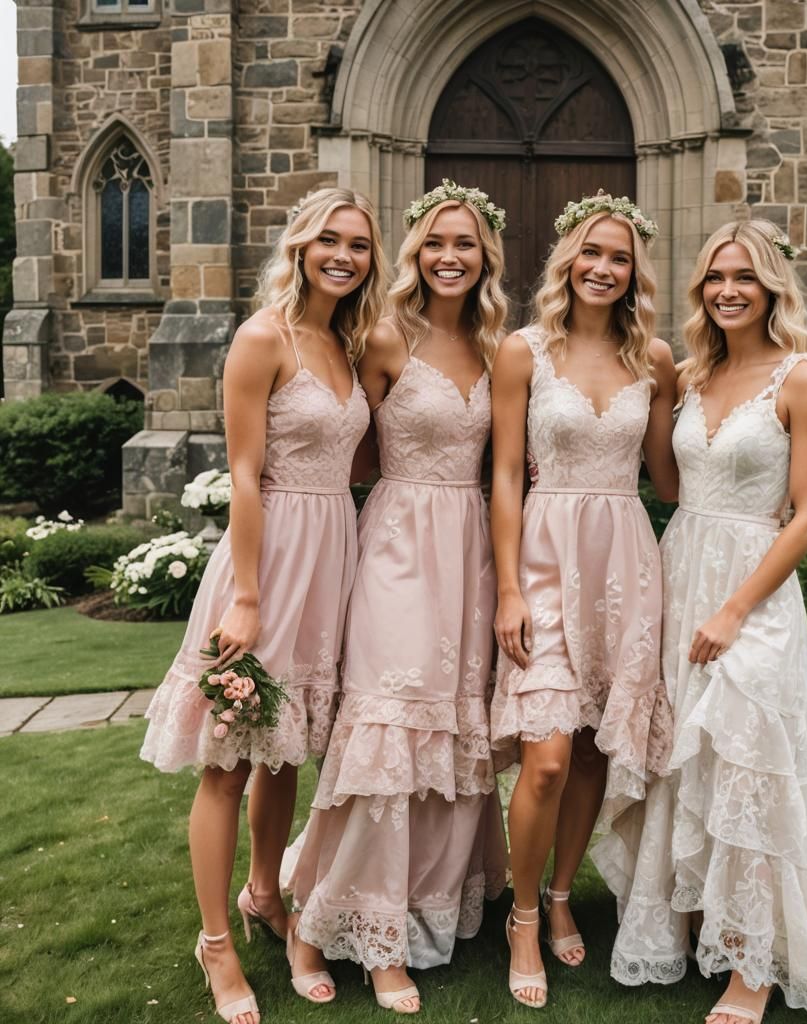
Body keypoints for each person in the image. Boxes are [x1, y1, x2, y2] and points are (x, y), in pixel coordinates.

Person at [593, 220, 807, 1023]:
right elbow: (671, 487)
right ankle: (679, 919)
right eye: (715, 277)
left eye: (744, 276)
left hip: (751, 589)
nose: (727, 290)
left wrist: (736, 608)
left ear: (772, 285)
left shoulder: (802, 377)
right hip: (681, 569)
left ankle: (753, 965)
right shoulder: (692, 373)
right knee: (681, 758)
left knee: (748, 755)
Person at [140, 187, 388, 1023]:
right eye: (330, 240)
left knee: (284, 754)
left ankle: (263, 894)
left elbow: (355, 463)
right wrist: (245, 598)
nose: (343, 255)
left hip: (331, 562)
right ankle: (217, 946)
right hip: (269, 559)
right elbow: (245, 473)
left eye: (358, 244)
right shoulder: (262, 338)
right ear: (301, 245)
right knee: (228, 762)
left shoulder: (346, 346)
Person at [284, 181, 510, 1015]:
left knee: (449, 732)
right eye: (434, 243)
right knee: (387, 729)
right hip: (396, 545)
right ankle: (338, 929)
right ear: (413, 252)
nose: (450, 257)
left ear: (486, 256)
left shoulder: (496, 346)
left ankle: (423, 903)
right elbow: (348, 449)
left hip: (468, 548)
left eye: (466, 243)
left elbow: (507, 464)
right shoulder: (381, 339)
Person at [489, 193, 677, 1009]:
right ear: (567, 261)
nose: (605, 268)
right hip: (544, 556)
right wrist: (505, 588)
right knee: (548, 757)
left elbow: (670, 478)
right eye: (592, 253)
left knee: (598, 747)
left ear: (636, 272)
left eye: (621, 257)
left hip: (626, 561)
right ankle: (523, 916)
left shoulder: (657, 361)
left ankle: (564, 892)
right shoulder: (522, 351)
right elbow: (500, 475)